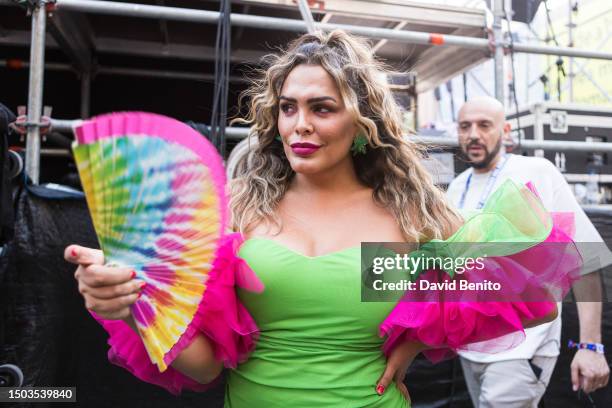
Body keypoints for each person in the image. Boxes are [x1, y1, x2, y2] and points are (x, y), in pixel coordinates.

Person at [64, 32, 559, 407]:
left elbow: (536, 292)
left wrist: (420, 332)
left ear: (362, 123)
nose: (300, 124)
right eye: (287, 108)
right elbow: (203, 367)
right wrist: (131, 303)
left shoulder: (413, 216)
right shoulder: (237, 210)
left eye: (321, 108)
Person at [446, 96, 610, 408]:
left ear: (505, 131)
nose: (473, 135)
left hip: (522, 350)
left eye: (484, 125)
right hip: (470, 348)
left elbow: (585, 258)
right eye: (465, 126)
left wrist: (592, 345)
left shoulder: (536, 171)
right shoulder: (457, 186)